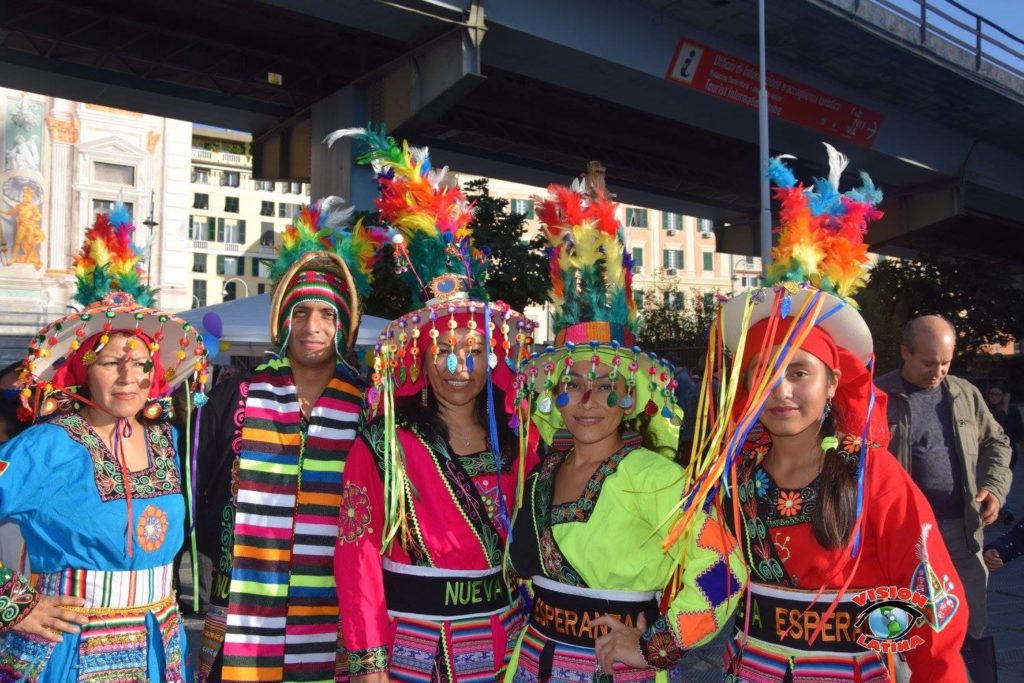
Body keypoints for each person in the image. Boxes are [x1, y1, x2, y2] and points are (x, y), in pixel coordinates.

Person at [672, 147, 969, 680]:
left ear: (834, 383)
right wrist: (653, 646)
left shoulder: (872, 476)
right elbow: (714, 584)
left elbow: (934, 602)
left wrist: (876, 637)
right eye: (766, 373)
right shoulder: (736, 478)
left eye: (800, 372)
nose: (781, 391)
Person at [505, 180, 746, 681]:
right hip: (532, 663)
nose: (588, 402)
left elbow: (724, 569)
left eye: (606, 386)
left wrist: (660, 642)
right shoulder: (541, 470)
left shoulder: (653, 474)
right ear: (554, 393)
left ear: (631, 396)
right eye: (572, 384)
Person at [330, 126, 538, 681]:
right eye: (442, 352)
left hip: (506, 641)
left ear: (491, 357)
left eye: (471, 352)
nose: (457, 368)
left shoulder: (520, 438)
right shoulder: (382, 444)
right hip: (409, 648)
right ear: (418, 360)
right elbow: (357, 552)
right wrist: (369, 657)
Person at [0, 205, 209, 680]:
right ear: (80, 372)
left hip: (162, 648)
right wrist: (14, 605)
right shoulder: (47, 446)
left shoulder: (167, 440)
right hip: (70, 651)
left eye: (139, 364)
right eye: (110, 362)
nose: (127, 378)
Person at [200, 198, 386, 683]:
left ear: (344, 325)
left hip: (334, 615)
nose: (313, 328)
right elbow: (201, 490)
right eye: (301, 312)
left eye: (327, 314)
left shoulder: (368, 407)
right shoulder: (236, 396)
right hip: (241, 606)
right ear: (283, 319)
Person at [876, 315, 1012, 643]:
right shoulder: (878, 395)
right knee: (903, 632)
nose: (938, 372)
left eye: (945, 363)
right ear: (905, 352)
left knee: (969, 627)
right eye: (929, 363)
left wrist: (994, 487)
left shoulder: (964, 393)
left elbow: (998, 442)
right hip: (902, 536)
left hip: (962, 531)